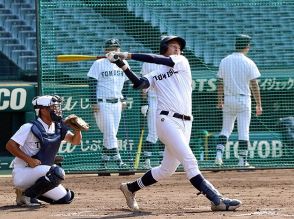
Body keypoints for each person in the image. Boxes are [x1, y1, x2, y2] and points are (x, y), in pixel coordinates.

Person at [106, 35, 242, 211]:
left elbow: (156, 58)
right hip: (166, 119)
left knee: (166, 170)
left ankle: (130, 188)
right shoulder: (155, 73)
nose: (178, 49)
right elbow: (139, 84)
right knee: (190, 161)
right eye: (173, 46)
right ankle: (217, 200)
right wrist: (122, 65)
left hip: (186, 123)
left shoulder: (181, 61)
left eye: (179, 47)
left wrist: (127, 55)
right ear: (164, 48)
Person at [6, 95, 82, 206]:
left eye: (57, 107)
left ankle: (25, 193)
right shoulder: (29, 127)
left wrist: (77, 130)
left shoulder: (58, 127)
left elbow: (75, 141)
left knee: (66, 198)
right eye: (53, 107)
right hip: (23, 173)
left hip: (42, 174)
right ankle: (28, 196)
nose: (57, 110)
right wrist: (28, 159)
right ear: (42, 110)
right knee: (57, 172)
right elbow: (10, 145)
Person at [214, 34, 262, 167]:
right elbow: (254, 84)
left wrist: (220, 100)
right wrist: (259, 103)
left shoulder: (225, 60)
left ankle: (218, 155)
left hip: (228, 99)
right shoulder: (248, 62)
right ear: (247, 46)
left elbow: (219, 83)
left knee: (225, 130)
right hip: (244, 100)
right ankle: (242, 161)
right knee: (243, 131)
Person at [87, 38, 130, 169]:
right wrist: (93, 102)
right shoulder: (99, 63)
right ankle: (119, 162)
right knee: (110, 133)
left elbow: (127, 81)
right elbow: (92, 82)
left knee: (110, 133)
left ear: (119, 50)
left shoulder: (124, 63)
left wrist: (124, 99)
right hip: (102, 103)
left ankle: (103, 164)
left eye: (116, 48)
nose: (113, 50)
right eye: (110, 49)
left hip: (117, 103)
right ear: (106, 51)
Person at [140, 62, 162, 169]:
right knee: (153, 132)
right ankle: (146, 160)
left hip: (168, 101)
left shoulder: (174, 61)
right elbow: (143, 84)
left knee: (166, 132)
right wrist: (143, 102)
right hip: (153, 99)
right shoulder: (147, 62)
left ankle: (163, 161)